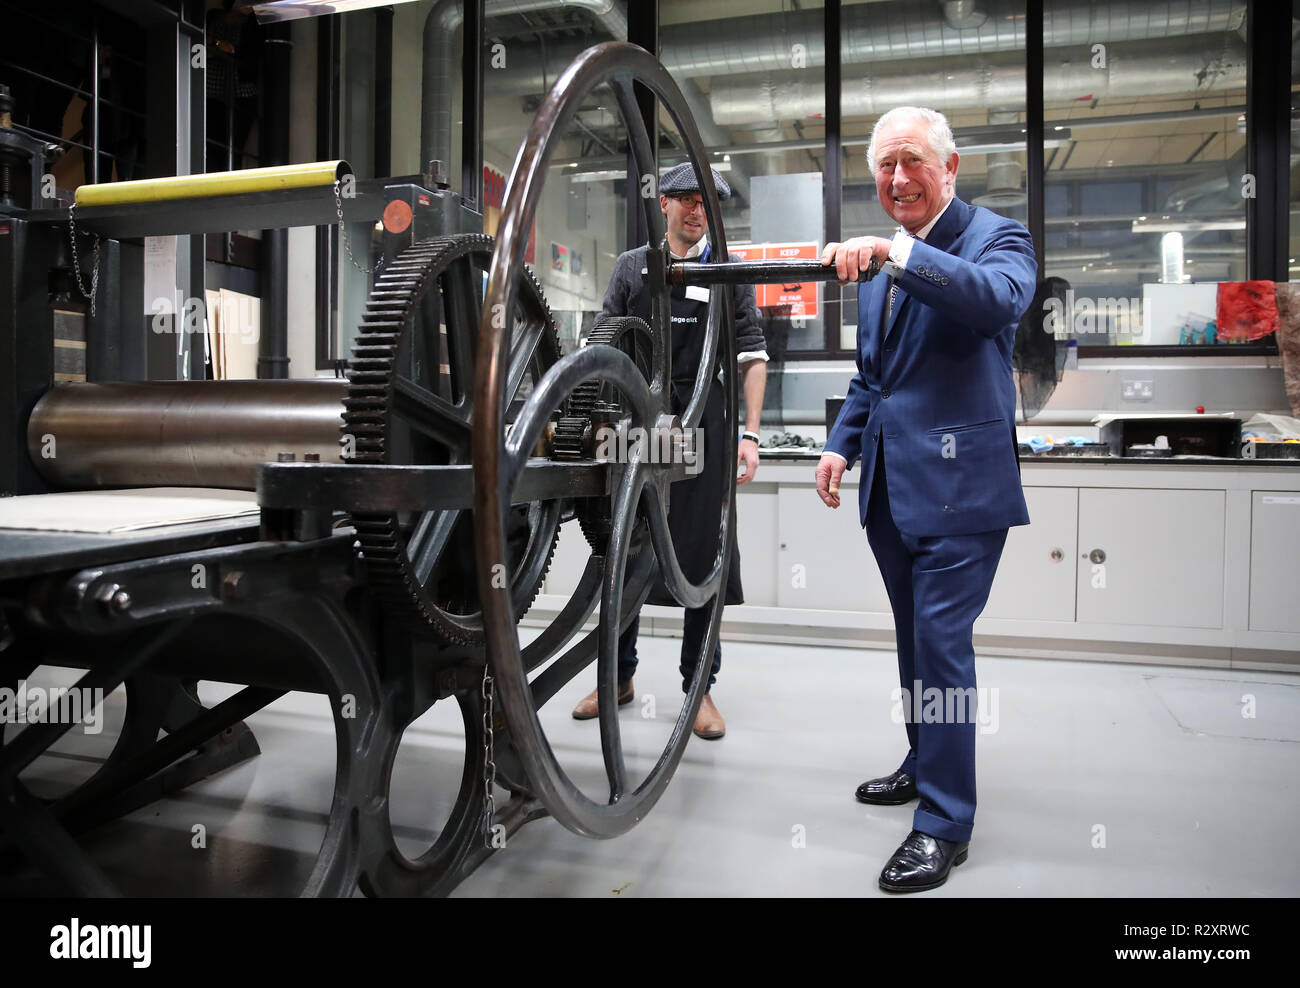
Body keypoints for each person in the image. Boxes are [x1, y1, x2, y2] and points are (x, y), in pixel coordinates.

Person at [816, 106, 1036, 892]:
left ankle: (943, 822)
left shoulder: (997, 238)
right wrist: (842, 443)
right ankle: (923, 757)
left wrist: (900, 254)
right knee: (915, 644)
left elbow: (995, 302)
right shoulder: (880, 269)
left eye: (911, 162)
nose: (897, 179)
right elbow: (873, 375)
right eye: (883, 167)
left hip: (961, 492)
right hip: (891, 487)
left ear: (950, 167)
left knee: (942, 651)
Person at [570, 162, 768, 740]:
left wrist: (750, 435)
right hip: (639, 421)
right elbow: (601, 344)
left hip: (706, 421)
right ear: (664, 204)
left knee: (704, 551)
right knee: (625, 550)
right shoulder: (633, 267)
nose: (694, 209)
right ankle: (618, 677)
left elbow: (751, 357)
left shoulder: (726, 269)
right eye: (683, 198)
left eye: (704, 201)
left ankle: (698, 687)